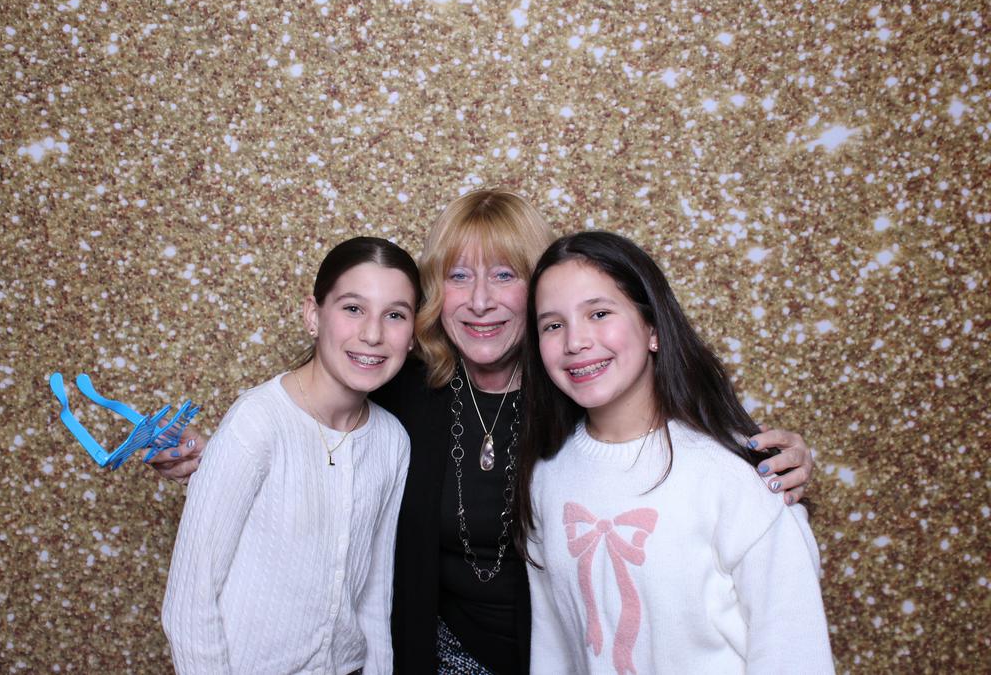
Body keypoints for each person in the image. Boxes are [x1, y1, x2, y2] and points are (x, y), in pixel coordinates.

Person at [151, 189, 818, 674]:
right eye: (458, 276)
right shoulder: (405, 386)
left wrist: (775, 461)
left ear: (539, 287)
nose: (479, 300)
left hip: (558, 656)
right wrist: (219, 457)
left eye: (504, 275)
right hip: (437, 655)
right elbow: (320, 407)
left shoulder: (579, 390)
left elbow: (673, 446)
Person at [515, 231, 833, 674]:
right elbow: (553, 650)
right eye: (553, 325)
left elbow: (794, 656)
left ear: (653, 330)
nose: (575, 341)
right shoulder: (546, 475)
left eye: (599, 313)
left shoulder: (734, 476)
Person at [160, 237, 421, 675]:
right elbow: (189, 604)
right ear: (313, 316)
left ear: (412, 335)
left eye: (395, 315)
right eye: (353, 308)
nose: (373, 334)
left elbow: (375, 599)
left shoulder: (392, 441)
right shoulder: (256, 422)